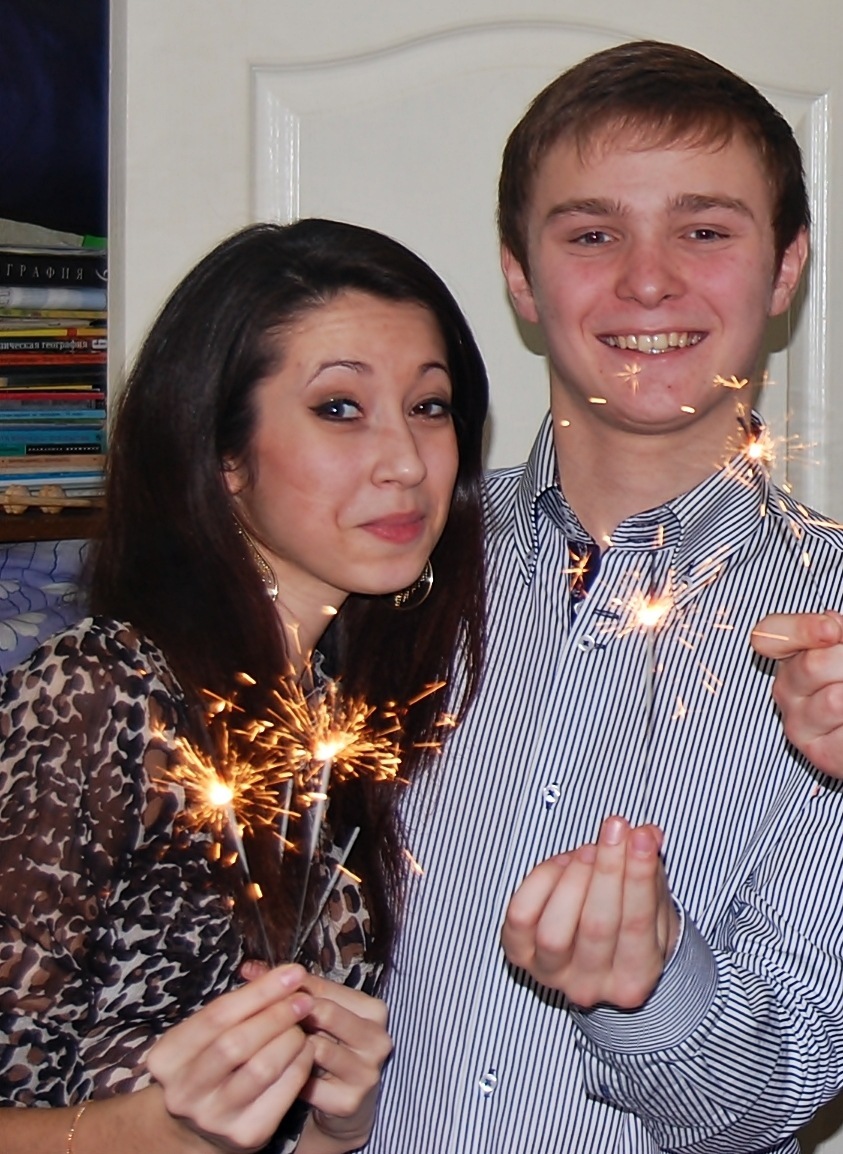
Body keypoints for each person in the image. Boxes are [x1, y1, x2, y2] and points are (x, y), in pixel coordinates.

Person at [366, 40, 843, 1154]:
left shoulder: (836, 638)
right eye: (591, 234)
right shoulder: (382, 565)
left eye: (705, 230)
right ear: (519, 276)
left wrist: (655, 989)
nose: (648, 280)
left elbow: (779, 1093)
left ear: (786, 270)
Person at [0, 218, 489, 1153]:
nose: (405, 460)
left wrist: (339, 1126)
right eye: (339, 408)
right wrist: (163, 1131)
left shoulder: (349, 713)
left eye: (430, 407)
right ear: (224, 453)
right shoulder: (103, 694)